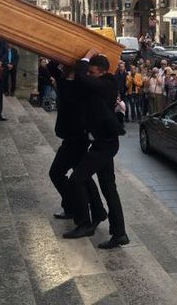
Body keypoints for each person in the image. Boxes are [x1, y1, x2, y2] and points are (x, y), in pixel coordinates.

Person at [64, 50, 128, 249]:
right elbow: (77, 87)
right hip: (101, 142)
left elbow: (86, 80)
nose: (89, 74)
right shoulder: (96, 84)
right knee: (109, 188)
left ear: (102, 72)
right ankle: (120, 233)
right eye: (89, 71)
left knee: (77, 178)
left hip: (106, 144)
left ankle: (86, 223)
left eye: (92, 72)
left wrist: (83, 60)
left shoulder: (108, 83)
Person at [47, 61, 107, 223]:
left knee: (57, 173)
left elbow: (69, 97)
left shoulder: (80, 84)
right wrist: (62, 59)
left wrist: (77, 67)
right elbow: (51, 67)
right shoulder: (66, 80)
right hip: (72, 136)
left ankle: (74, 206)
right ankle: (97, 210)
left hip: (77, 138)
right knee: (83, 176)